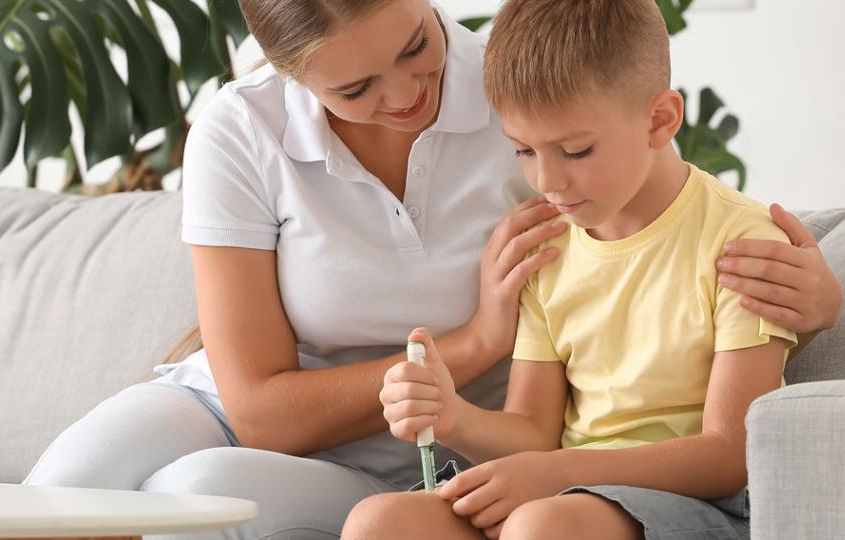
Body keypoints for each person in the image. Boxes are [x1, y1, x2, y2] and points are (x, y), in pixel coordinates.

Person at [22, 1, 842, 538]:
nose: (410, 90)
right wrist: (479, 338)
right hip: (279, 409)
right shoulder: (243, 128)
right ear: (293, 81)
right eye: (355, 86)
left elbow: (659, 206)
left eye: (416, 46)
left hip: (433, 449)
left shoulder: (516, 91)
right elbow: (260, 408)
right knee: (56, 494)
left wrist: (820, 294)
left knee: (189, 499)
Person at [342, 1, 803, 539]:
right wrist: (453, 417)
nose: (546, 180)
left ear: (660, 120)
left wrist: (558, 472)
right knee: (381, 523)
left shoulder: (740, 243)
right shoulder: (549, 246)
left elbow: (729, 455)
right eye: (522, 151)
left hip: (691, 503)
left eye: (575, 150)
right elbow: (533, 432)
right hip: (557, 498)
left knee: (543, 526)